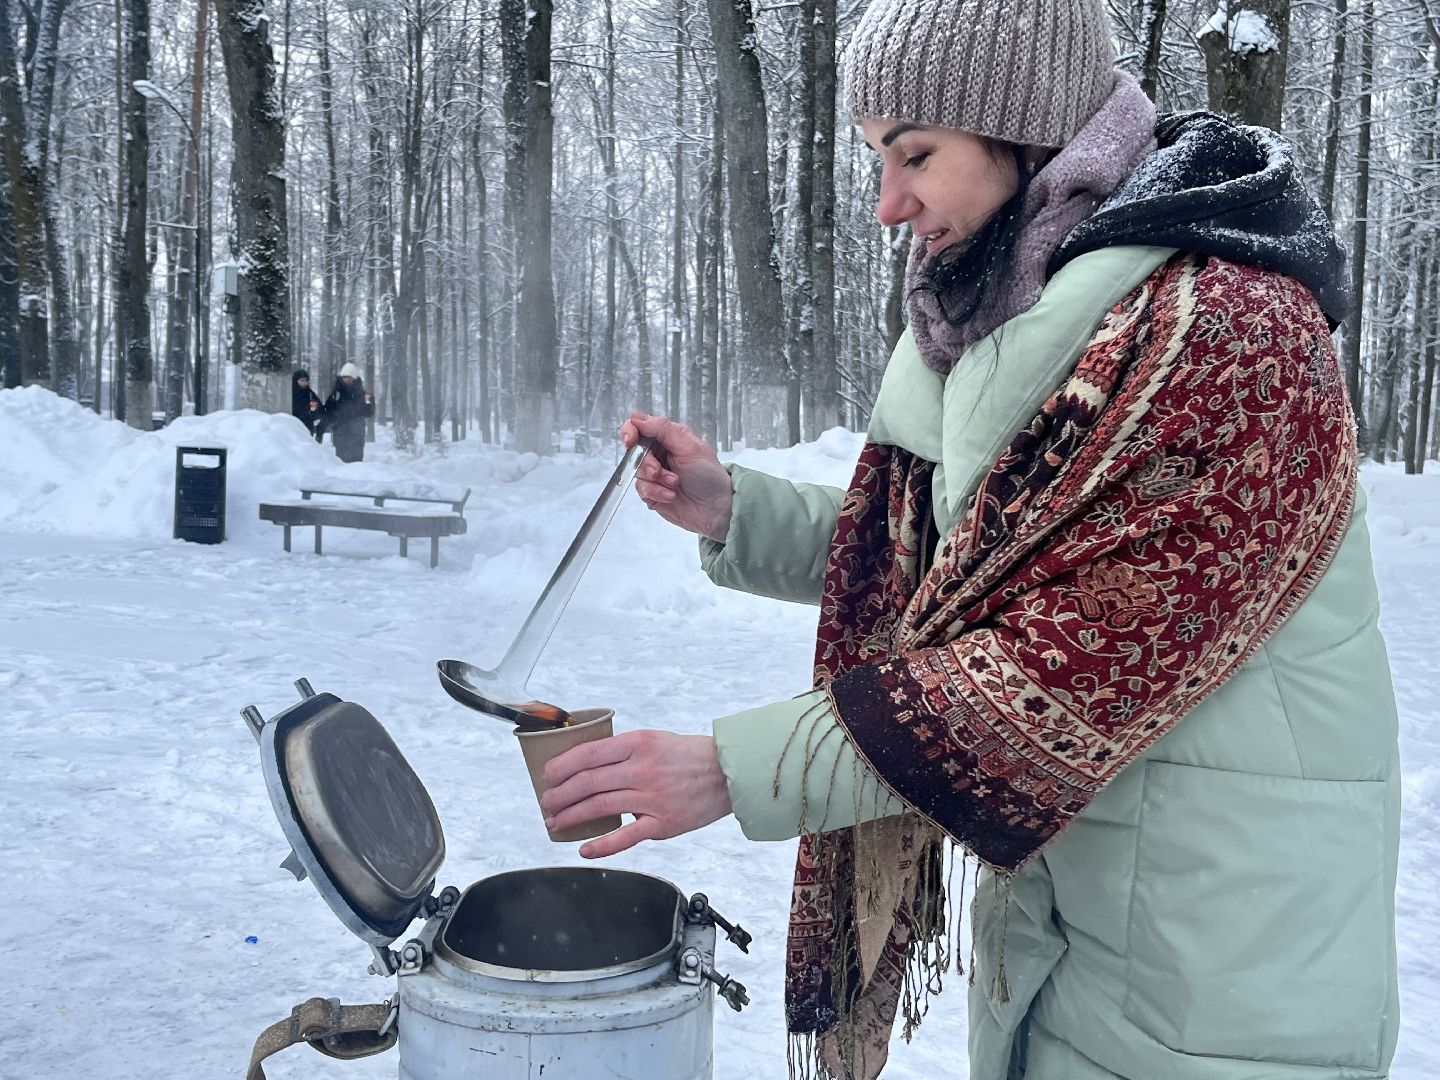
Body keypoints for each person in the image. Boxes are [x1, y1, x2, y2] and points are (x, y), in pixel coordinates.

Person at [541, 1, 1402, 1077]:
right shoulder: (999, 308)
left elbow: (1071, 653)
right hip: (1070, 895)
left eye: (916, 155)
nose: (887, 205)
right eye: (874, 159)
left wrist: (734, 770)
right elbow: (960, 554)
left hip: (1224, 927)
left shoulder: (1228, 330)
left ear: (1026, 128)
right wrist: (733, 510)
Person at [316, 362, 374, 463]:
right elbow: (328, 411)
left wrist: (369, 402)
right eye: (345, 377)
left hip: (357, 434)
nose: (347, 380)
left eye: (349, 377)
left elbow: (368, 413)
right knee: (341, 463)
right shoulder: (336, 394)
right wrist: (320, 430)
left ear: (354, 378)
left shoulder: (362, 394)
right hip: (341, 434)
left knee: (357, 463)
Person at [291, 369, 322, 437]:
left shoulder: (310, 394)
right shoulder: (291, 394)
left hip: (308, 428)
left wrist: (312, 414)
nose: (304, 382)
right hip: (293, 428)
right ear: (296, 381)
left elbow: (320, 409)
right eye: (302, 380)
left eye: (306, 380)